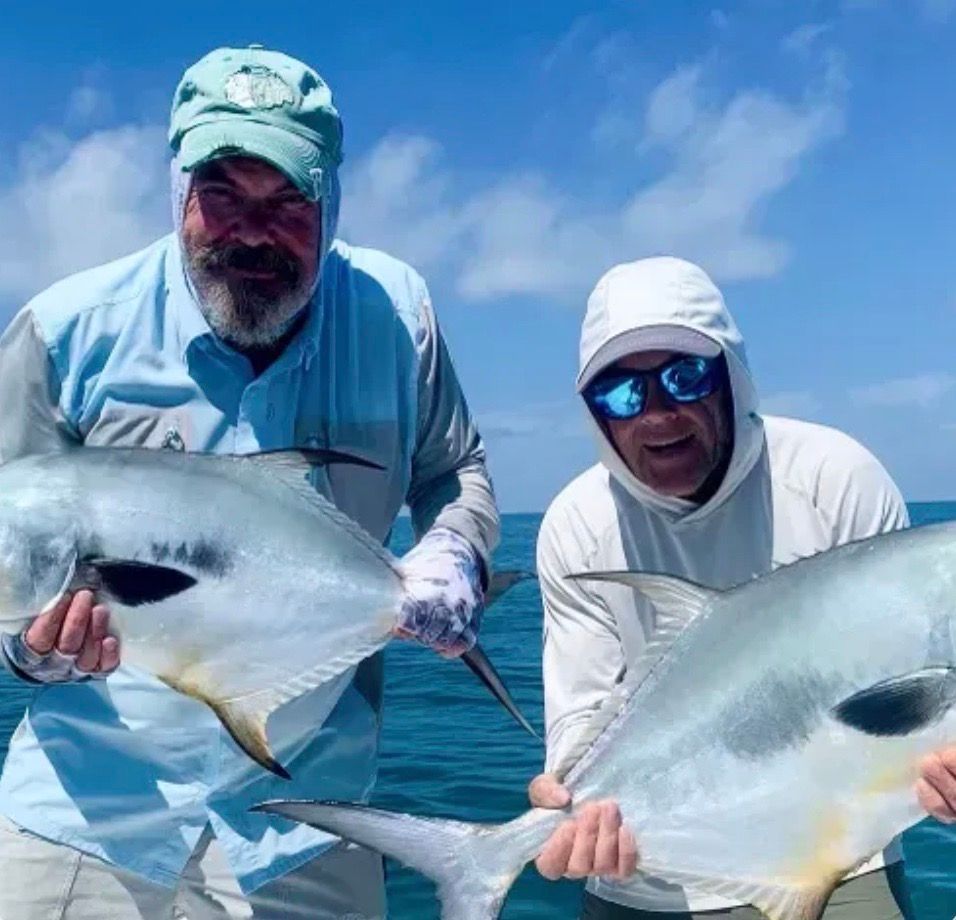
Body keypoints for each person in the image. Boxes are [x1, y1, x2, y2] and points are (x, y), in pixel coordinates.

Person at [0, 45, 498, 920]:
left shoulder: (396, 315)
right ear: (178, 192)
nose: (251, 231)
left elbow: (455, 469)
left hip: (306, 816)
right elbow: (14, 540)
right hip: (87, 813)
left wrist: (455, 546)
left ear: (331, 201)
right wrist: (27, 653)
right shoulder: (63, 332)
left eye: (287, 201)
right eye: (221, 195)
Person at [528, 256, 956, 918]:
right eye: (621, 394)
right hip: (647, 869)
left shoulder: (834, 477)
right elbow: (581, 716)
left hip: (839, 857)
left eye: (684, 375)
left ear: (732, 377)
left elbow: (909, 707)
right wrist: (568, 807)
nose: (657, 414)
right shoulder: (578, 524)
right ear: (596, 416)